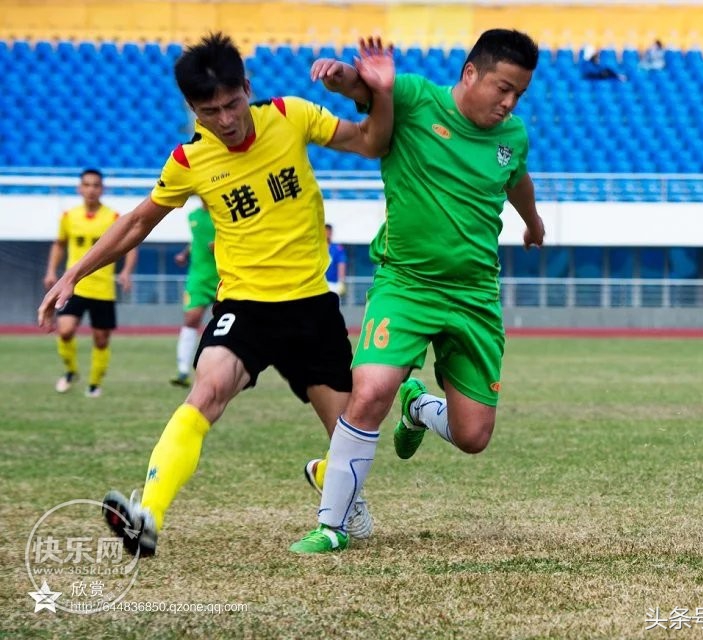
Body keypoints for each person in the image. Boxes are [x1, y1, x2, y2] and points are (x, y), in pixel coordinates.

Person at [38, 32, 395, 556]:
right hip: (244, 307)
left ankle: (342, 494)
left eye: (232, 104)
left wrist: (375, 91)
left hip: (312, 307)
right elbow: (138, 222)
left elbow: (372, 141)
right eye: (210, 111)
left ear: (247, 88)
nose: (226, 120)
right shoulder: (190, 159)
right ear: (193, 109)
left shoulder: (290, 115)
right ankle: (146, 517)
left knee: (350, 432)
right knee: (206, 391)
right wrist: (73, 274)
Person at [291, 28, 545, 553]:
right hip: (405, 284)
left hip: (475, 296)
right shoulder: (412, 97)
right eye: (503, 87)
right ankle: (331, 525)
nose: (509, 102)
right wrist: (341, 76)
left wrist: (533, 221)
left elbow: (516, 176)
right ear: (470, 73)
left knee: (473, 437)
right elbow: (365, 91)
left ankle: (419, 409)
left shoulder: (512, 135)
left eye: (519, 93)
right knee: (368, 392)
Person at [43, 168, 137, 398]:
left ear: (102, 189)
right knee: (64, 330)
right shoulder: (68, 216)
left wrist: (126, 271)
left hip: (103, 288)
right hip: (74, 286)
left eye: (96, 185)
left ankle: (94, 384)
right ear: (79, 188)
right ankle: (71, 371)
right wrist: (51, 271)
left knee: (101, 339)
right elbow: (59, 244)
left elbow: (131, 244)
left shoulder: (113, 217)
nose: (91, 189)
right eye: (87, 185)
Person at [170, 199, 219, 387]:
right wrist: (185, 254)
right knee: (191, 318)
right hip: (198, 278)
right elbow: (197, 240)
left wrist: (221, 244)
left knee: (225, 321)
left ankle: (219, 369)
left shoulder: (223, 214)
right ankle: (182, 371)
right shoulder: (194, 216)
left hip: (224, 277)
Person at [324, 223, 347, 298]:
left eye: (329, 232)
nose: (327, 234)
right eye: (326, 231)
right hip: (319, 284)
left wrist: (341, 282)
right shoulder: (317, 248)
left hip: (333, 283)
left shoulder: (337, 248)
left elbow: (341, 264)